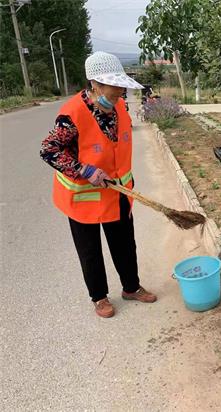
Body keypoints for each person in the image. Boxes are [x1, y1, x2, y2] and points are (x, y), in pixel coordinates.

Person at [40, 51, 157, 318]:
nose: (118, 95)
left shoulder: (118, 108)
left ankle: (131, 287)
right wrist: (83, 169)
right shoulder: (72, 115)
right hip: (83, 197)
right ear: (95, 84)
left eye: (120, 90)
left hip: (117, 191)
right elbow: (49, 150)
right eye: (114, 89)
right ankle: (99, 297)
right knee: (90, 251)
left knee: (125, 243)